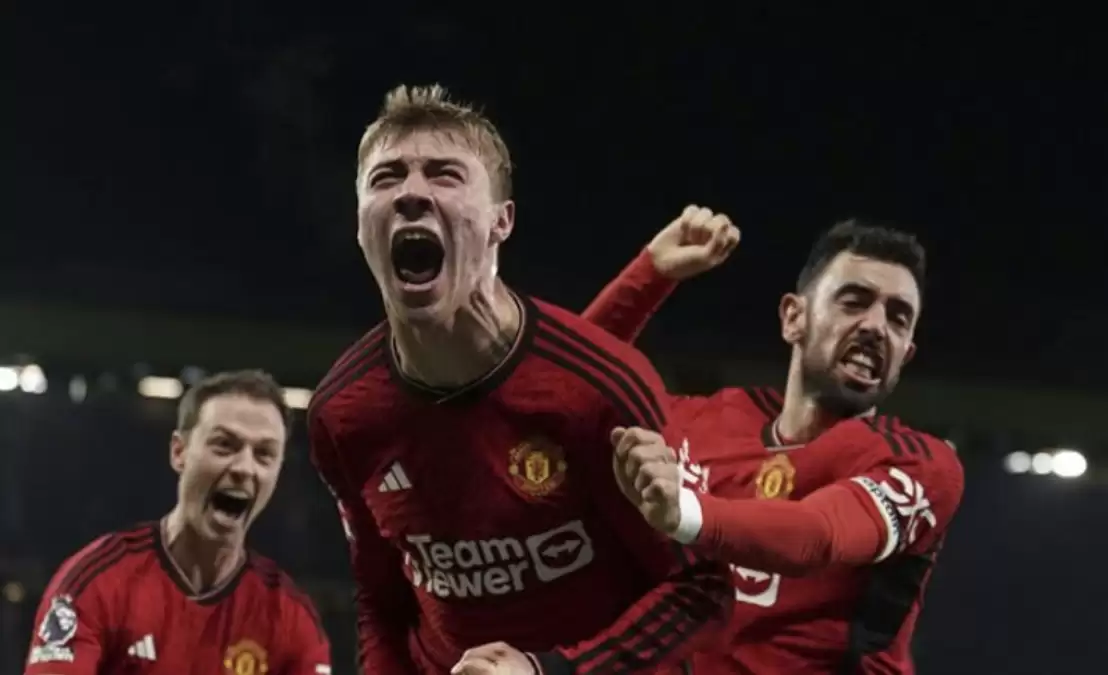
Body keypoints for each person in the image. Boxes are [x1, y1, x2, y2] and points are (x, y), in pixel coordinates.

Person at [308, 84, 733, 675]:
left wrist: (548, 672)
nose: (411, 193)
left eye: (445, 174)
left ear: (500, 221)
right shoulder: (340, 414)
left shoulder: (602, 385)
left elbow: (703, 588)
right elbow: (381, 601)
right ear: (361, 227)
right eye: (386, 178)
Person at [595, 215, 965, 673]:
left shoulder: (919, 465)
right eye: (854, 302)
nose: (875, 326)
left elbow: (818, 536)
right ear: (794, 318)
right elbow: (565, 391)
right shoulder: (704, 422)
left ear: (905, 353)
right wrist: (649, 275)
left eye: (898, 318)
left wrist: (683, 511)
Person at [24, 370, 331, 675]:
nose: (244, 468)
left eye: (264, 454)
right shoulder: (97, 584)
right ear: (179, 452)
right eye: (224, 445)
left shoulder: (291, 619)